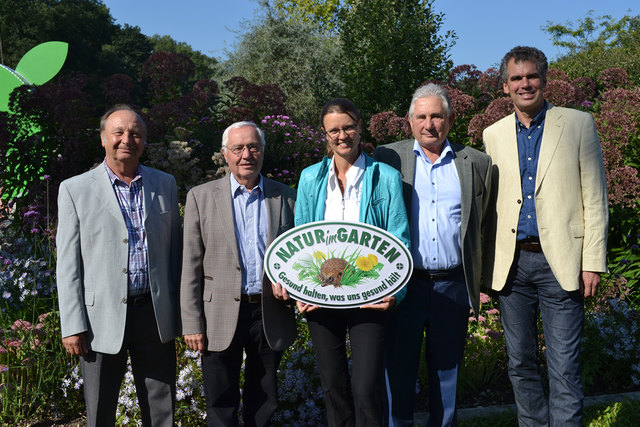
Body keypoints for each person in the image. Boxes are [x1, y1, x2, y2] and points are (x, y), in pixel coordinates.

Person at [482, 46, 608, 426]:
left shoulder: (578, 123)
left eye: (532, 76)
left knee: (564, 366)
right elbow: (490, 208)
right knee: (520, 364)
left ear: (544, 79)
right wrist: (486, 271)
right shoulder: (493, 134)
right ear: (505, 86)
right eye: (516, 78)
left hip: (563, 263)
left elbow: (595, 197)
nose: (525, 84)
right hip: (511, 266)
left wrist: (592, 262)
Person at [273, 98, 410, 426]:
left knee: (365, 389)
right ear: (325, 134)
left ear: (360, 127)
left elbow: (400, 237)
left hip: (370, 295)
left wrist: (396, 293)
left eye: (348, 126)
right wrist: (301, 291)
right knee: (333, 386)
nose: (342, 135)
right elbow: (299, 238)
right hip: (322, 296)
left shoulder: (386, 177)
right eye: (334, 129)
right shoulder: (310, 178)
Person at [374, 83, 493, 426]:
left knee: (448, 373)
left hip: (452, 286)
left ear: (450, 120)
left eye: (437, 116)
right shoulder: (387, 158)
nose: (429, 124)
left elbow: (482, 224)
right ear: (409, 121)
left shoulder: (476, 163)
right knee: (397, 370)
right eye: (421, 116)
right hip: (403, 286)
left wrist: (480, 282)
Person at [57, 105, 181, 426]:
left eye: (135, 133)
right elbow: (68, 265)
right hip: (100, 322)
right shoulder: (75, 189)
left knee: (161, 410)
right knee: (100, 412)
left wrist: (181, 314)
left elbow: (174, 253)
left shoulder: (164, 184)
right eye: (119, 132)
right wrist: (72, 325)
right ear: (103, 139)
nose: (127, 139)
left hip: (154, 316)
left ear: (144, 141)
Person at [180, 121, 297, 427]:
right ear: (225, 154)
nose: (247, 154)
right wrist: (191, 322)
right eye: (238, 148)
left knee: (264, 398)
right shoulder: (200, 197)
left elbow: (298, 257)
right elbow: (191, 264)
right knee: (220, 399)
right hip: (217, 310)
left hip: (268, 310)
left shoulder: (285, 196)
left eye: (253, 147)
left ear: (262, 151)